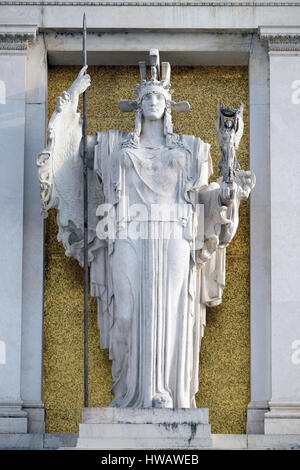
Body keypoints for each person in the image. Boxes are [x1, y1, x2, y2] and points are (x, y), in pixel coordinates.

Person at [38, 50, 255, 408]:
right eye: (147, 96)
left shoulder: (190, 148)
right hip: (127, 234)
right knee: (125, 311)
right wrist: (70, 99)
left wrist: (227, 192)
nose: (153, 101)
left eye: (159, 96)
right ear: (138, 105)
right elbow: (68, 155)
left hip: (174, 235)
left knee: (170, 312)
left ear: (169, 105)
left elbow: (203, 197)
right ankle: (128, 394)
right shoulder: (110, 145)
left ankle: (163, 394)